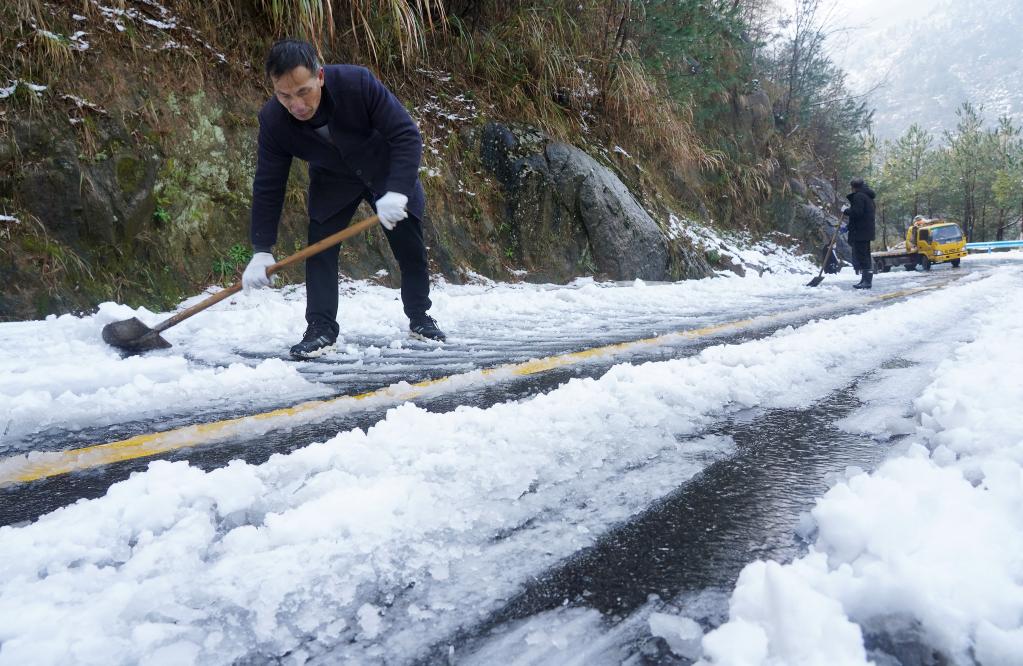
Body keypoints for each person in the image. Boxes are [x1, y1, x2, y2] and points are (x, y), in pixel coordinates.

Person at [241, 39, 445, 359]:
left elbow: (405, 133)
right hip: (333, 181)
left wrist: (399, 190)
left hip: (385, 170)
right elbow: (269, 185)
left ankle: (420, 317)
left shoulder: (357, 84)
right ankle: (321, 329)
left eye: (303, 91)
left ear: (319, 76)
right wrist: (261, 249)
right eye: (284, 95)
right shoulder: (273, 121)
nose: (296, 104)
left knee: (410, 248)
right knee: (319, 251)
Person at [841, 177, 876, 289]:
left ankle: (867, 282)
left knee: (863, 257)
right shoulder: (868, 197)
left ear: (853, 187)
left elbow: (857, 213)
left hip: (860, 233)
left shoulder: (859, 196)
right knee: (865, 255)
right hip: (866, 231)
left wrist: (845, 211)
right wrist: (848, 226)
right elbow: (863, 216)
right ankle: (865, 280)